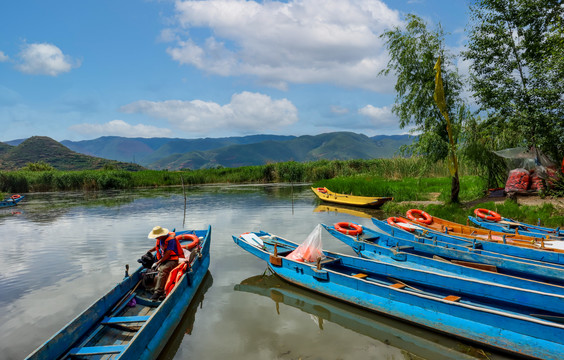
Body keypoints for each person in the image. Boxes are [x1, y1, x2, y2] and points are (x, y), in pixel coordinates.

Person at [146, 226, 185, 300]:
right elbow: (158, 247)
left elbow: (167, 254)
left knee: (163, 270)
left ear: (161, 235)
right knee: (153, 269)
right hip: (164, 259)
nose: (155, 238)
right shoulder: (160, 239)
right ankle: (156, 286)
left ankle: (158, 292)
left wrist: (158, 262)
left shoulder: (171, 240)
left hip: (173, 260)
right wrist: (150, 250)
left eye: (156, 236)